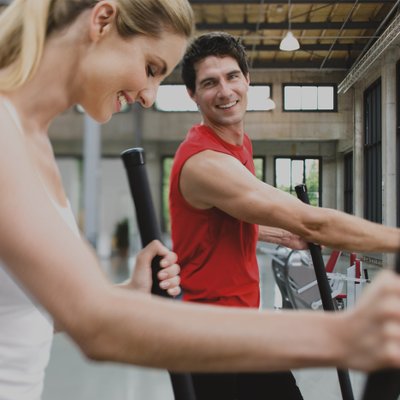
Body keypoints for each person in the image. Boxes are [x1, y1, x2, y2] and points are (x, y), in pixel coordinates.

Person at [1, 3, 400, 400]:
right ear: (102, 21)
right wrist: (346, 333)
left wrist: (127, 291)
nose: (148, 95)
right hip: (212, 329)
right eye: (152, 68)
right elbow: (98, 326)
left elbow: (30, 316)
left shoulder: (32, 142)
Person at [169, 31, 400, 399]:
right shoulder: (205, 163)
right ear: (192, 95)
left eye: (231, 77)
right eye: (209, 83)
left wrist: (279, 235)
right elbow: (313, 221)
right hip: (212, 338)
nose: (225, 91)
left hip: (240, 324)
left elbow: (222, 220)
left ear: (247, 80)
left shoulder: (238, 145)